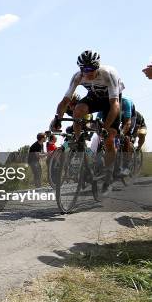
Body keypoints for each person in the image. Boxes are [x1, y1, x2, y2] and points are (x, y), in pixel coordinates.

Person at [51, 50, 124, 194]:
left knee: (109, 138)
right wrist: (57, 118)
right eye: (83, 69)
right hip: (94, 97)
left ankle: (109, 175)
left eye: (90, 69)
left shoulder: (108, 73)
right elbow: (65, 101)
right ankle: (78, 143)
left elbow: (115, 105)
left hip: (111, 101)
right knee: (78, 109)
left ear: (97, 67)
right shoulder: (78, 77)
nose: (87, 73)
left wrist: (106, 126)